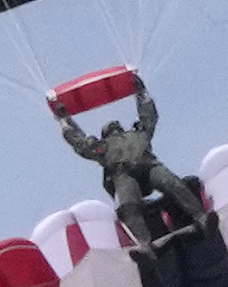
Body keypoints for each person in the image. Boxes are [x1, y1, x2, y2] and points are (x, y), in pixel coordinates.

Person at [54, 80, 210, 247]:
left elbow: (149, 117)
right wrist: (65, 120)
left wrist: (141, 94)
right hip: (123, 174)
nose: (113, 126)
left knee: (172, 183)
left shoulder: (137, 134)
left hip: (149, 167)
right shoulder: (102, 147)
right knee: (128, 206)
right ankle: (143, 242)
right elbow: (81, 144)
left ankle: (201, 217)